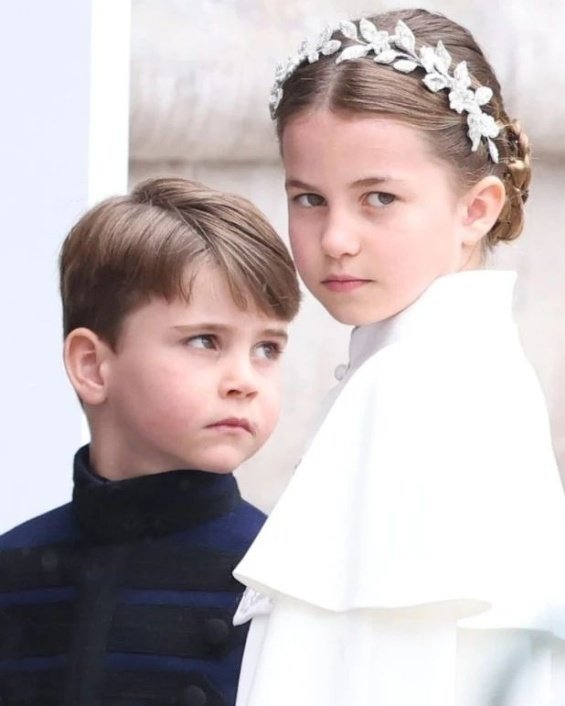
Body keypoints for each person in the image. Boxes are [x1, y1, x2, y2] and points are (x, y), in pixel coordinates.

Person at [232, 8, 565, 706]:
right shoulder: (460, 369)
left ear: (475, 209)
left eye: (377, 198)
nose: (336, 239)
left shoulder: (414, 386)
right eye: (308, 199)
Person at [0, 177, 300, 706]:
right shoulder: (12, 566)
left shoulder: (284, 577)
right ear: (93, 365)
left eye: (267, 348)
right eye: (205, 340)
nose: (245, 379)